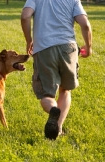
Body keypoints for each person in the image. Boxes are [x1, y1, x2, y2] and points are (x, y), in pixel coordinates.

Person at [21, 0, 92, 140]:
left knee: (47, 95)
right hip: (68, 48)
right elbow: (85, 24)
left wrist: (29, 40)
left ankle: (54, 111)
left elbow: (25, 16)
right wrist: (88, 47)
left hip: (44, 49)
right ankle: (58, 128)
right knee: (65, 90)